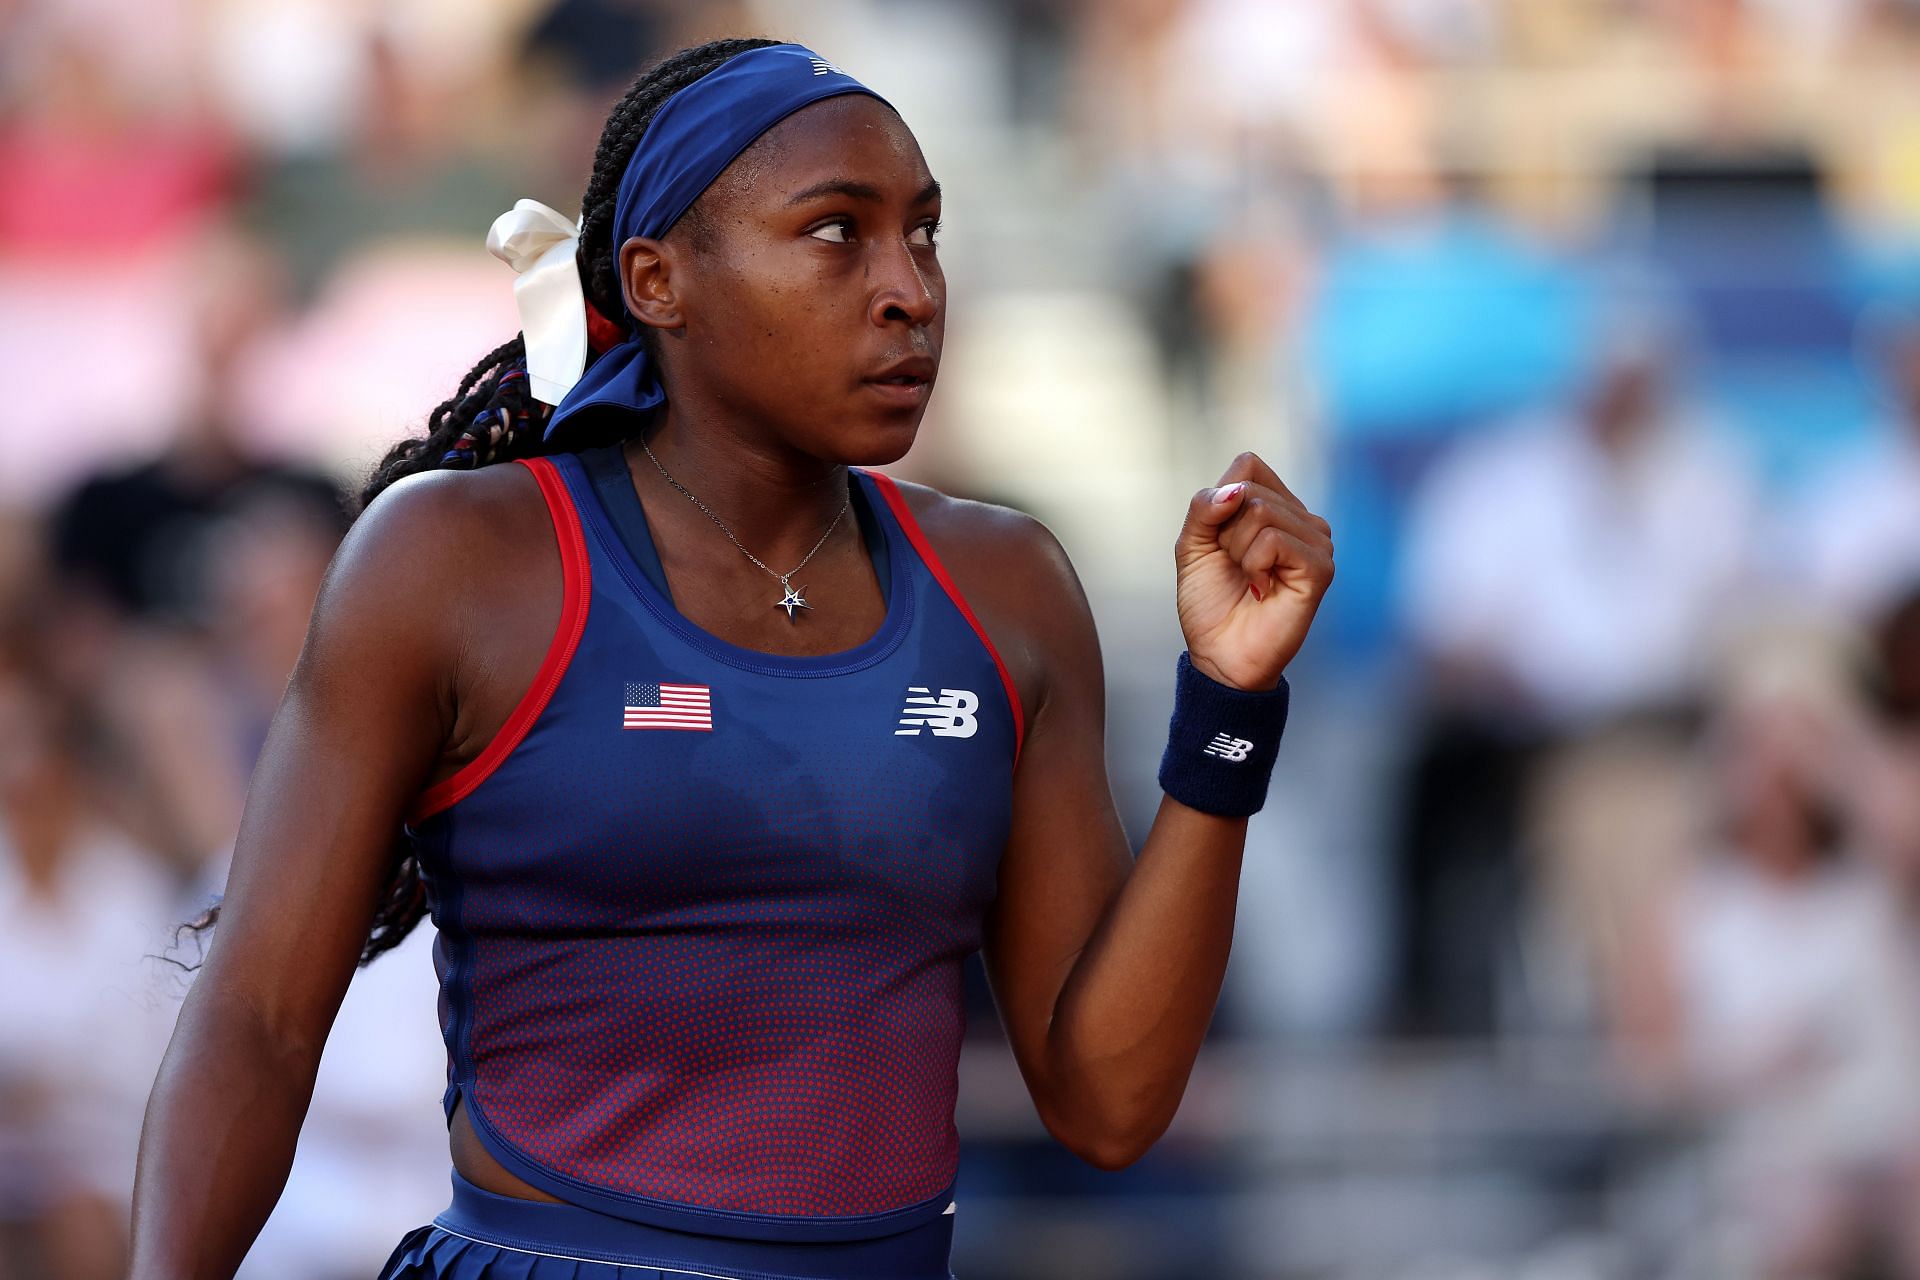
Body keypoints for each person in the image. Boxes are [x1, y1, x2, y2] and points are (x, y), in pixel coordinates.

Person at [129, 38, 1334, 1280]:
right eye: (834, 233)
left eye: (924, 233)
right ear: (657, 280)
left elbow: (1109, 1104)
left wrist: (1227, 708)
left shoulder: (1010, 585)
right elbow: (259, 1024)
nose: (909, 288)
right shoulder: (452, 558)